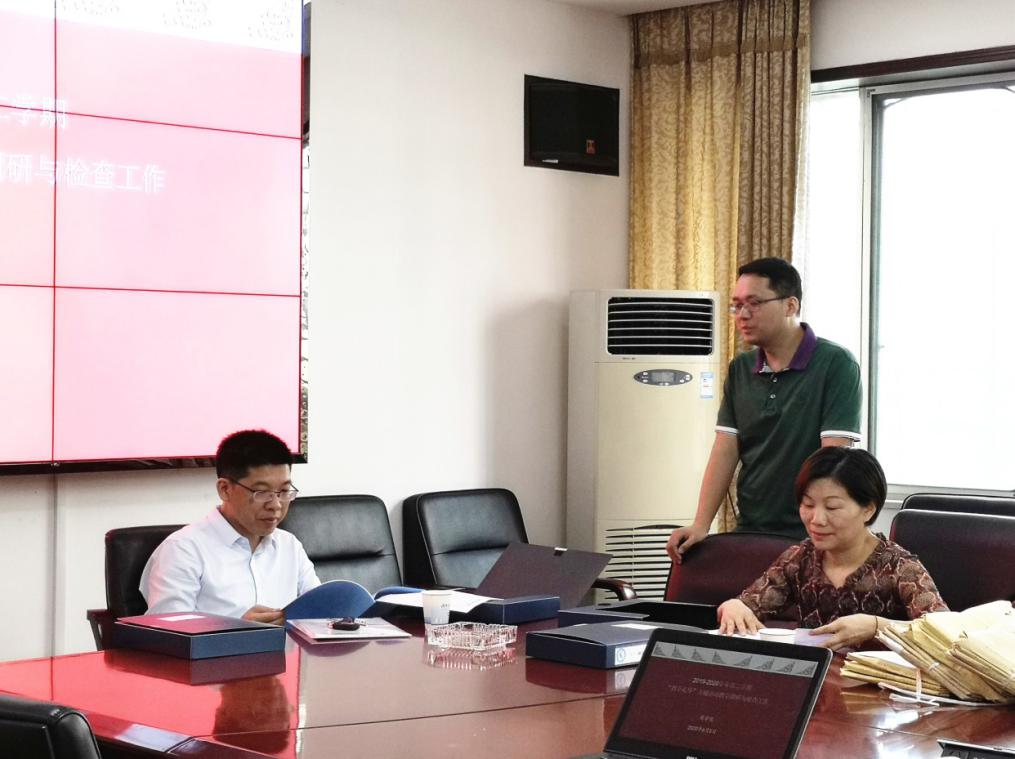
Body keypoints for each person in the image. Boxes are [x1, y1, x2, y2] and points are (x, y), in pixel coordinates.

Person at [667, 257, 862, 560]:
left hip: (811, 533)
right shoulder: (740, 369)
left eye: (754, 303)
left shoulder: (836, 364)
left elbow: (833, 458)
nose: (742, 315)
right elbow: (725, 449)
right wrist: (701, 523)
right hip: (751, 527)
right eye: (736, 305)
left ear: (790, 305)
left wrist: (817, 526)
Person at [717, 447, 948, 650]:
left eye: (832, 507)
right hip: (815, 680)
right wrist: (733, 607)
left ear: (868, 509)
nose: (816, 519)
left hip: (880, 684)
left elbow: (946, 633)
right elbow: (748, 604)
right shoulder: (801, 558)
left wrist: (878, 627)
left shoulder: (900, 567)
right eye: (808, 504)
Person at [140, 429, 320, 624]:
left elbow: (321, 614)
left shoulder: (289, 545)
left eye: (284, 491)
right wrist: (234, 628)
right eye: (261, 492)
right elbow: (168, 631)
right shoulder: (183, 549)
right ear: (225, 489)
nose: (276, 505)